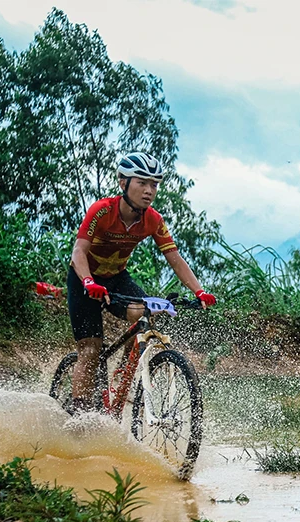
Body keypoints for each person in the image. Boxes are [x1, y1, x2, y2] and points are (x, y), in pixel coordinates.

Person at [67, 151, 216, 413]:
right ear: (123, 183)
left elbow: (175, 258)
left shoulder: (153, 220)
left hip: (116, 278)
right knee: (90, 349)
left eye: (154, 185)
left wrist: (200, 291)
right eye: (142, 183)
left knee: (144, 313)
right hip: (84, 279)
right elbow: (79, 251)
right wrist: (89, 281)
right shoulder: (102, 211)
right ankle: (78, 413)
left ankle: (124, 373)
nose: (149, 190)